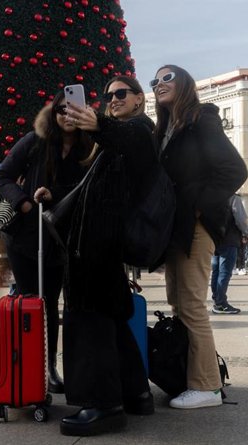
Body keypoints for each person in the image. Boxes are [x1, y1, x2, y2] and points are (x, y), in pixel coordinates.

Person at [60, 75, 158, 435]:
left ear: (138, 99)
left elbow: (131, 144)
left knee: (92, 321)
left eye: (121, 93)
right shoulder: (114, 135)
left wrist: (99, 124)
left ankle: (104, 405)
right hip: (100, 241)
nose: (113, 99)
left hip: (100, 243)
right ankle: (135, 393)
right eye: (108, 96)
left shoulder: (140, 129)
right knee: (114, 318)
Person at [152, 65, 247, 409]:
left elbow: (234, 170)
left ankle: (206, 386)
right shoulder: (168, 127)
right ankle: (188, 377)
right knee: (178, 304)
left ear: (185, 84)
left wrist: (197, 208)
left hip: (195, 226)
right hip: (177, 228)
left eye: (167, 78)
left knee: (191, 305)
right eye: (155, 80)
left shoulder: (201, 119)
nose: (159, 84)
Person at [0, 90, 92, 396]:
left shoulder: (87, 149)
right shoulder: (35, 141)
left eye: (73, 110)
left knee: (50, 303)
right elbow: (4, 176)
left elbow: (86, 189)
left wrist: (56, 195)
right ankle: (27, 366)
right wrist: (24, 202)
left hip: (59, 239)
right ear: (54, 113)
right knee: (29, 301)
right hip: (25, 236)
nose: (67, 116)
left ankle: (49, 367)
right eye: (62, 110)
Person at [210, 195, 248, 314]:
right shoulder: (233, 198)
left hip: (215, 240)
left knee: (216, 271)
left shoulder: (213, 196)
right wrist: (246, 232)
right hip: (229, 239)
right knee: (224, 272)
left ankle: (217, 301)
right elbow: (240, 218)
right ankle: (221, 303)